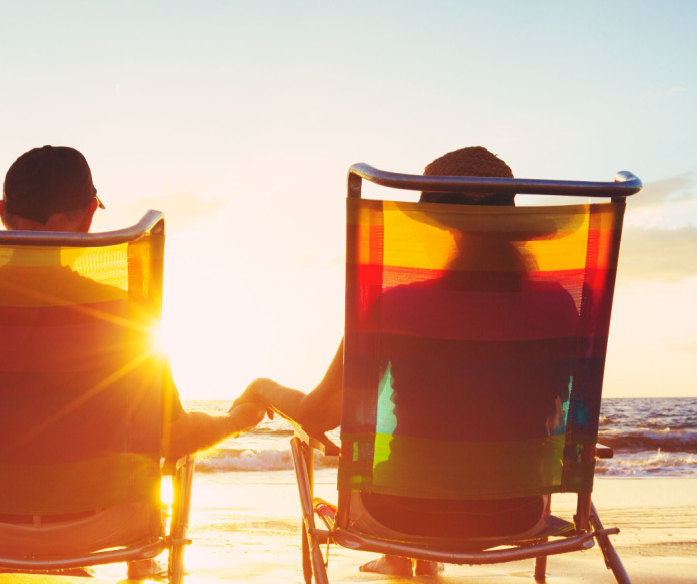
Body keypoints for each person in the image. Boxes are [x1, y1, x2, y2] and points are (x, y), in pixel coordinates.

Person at [0, 145, 265, 576]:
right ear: (87, 217)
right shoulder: (127, 315)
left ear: (3, 212)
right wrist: (236, 420)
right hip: (104, 524)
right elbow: (171, 440)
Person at [234, 146, 575, 577]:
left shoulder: (396, 305)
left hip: (399, 513)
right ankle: (414, 558)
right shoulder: (560, 306)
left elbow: (318, 415)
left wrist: (263, 387)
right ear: (510, 224)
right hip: (517, 512)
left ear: (443, 227)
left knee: (395, 464)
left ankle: (405, 551)